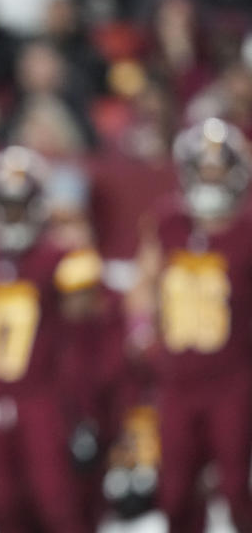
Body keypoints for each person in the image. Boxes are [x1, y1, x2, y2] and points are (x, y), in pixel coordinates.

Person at [0, 146, 102, 533]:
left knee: (56, 504)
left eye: (20, 204)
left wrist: (83, 413)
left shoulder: (63, 257)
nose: (12, 215)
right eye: (5, 205)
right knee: (2, 507)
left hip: (43, 397)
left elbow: (80, 344)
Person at [135, 117, 252, 532]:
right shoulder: (168, 222)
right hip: (178, 378)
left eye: (218, 171)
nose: (210, 179)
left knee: (239, 486)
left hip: (233, 377)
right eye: (203, 170)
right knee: (175, 492)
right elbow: (145, 284)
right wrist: (142, 331)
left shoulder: (246, 229)